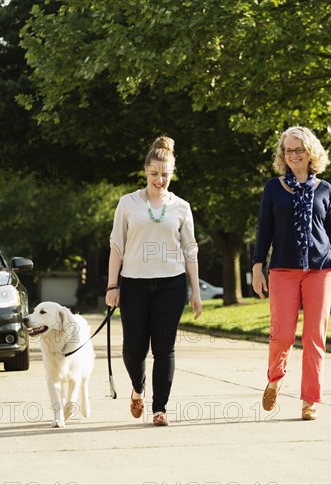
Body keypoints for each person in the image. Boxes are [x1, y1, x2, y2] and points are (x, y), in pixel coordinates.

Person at [105, 136, 203, 426]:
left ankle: (159, 408)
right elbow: (116, 247)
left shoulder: (182, 207)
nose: (160, 180)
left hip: (171, 285)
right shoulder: (127, 203)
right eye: (154, 174)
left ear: (172, 172)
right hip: (133, 284)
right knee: (132, 350)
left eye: (165, 174)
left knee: (164, 349)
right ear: (145, 171)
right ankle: (138, 387)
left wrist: (195, 290)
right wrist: (112, 285)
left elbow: (190, 250)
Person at [252, 126, 331, 421]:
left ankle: (310, 400)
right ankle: (275, 379)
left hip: (321, 270)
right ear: (283, 155)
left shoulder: (325, 190)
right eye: (288, 150)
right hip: (283, 268)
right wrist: (257, 266)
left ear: (310, 153)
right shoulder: (273, 188)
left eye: (299, 150)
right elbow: (264, 229)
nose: (293, 155)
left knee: (314, 337)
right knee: (281, 334)